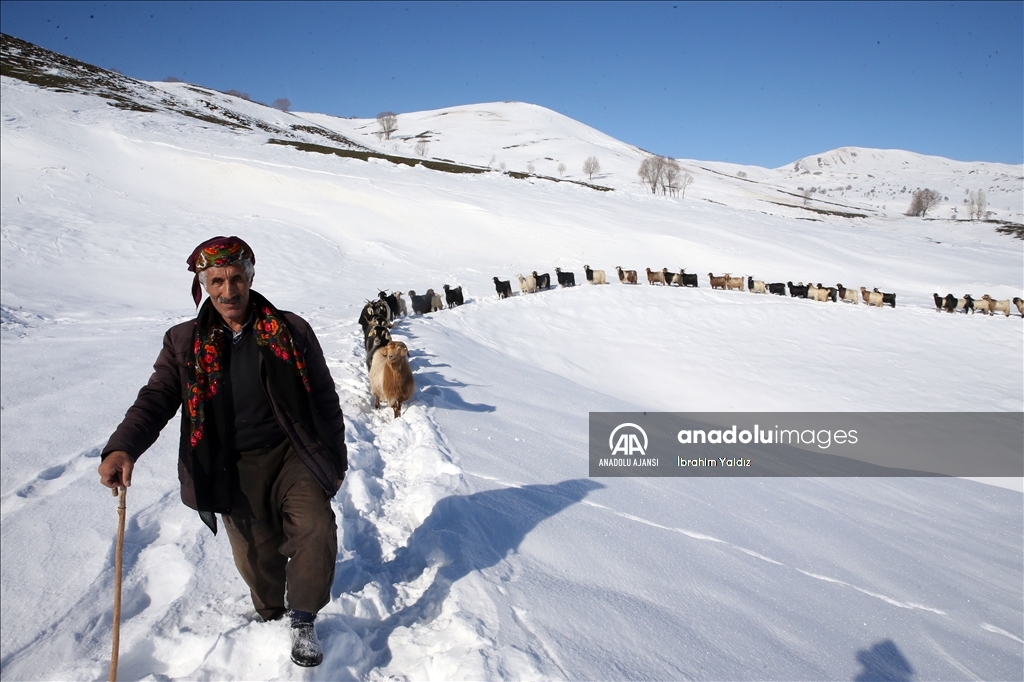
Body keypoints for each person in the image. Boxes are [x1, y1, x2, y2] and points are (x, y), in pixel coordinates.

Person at [98, 236, 346, 667]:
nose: (228, 291)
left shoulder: (291, 330)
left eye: (236, 278)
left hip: (292, 454)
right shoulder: (184, 342)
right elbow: (156, 398)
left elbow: (325, 399)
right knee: (256, 555)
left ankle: (304, 618)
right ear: (204, 284)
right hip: (229, 465)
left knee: (315, 527)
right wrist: (124, 447)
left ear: (250, 278)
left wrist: (334, 456)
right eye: (217, 280)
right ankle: (272, 613)